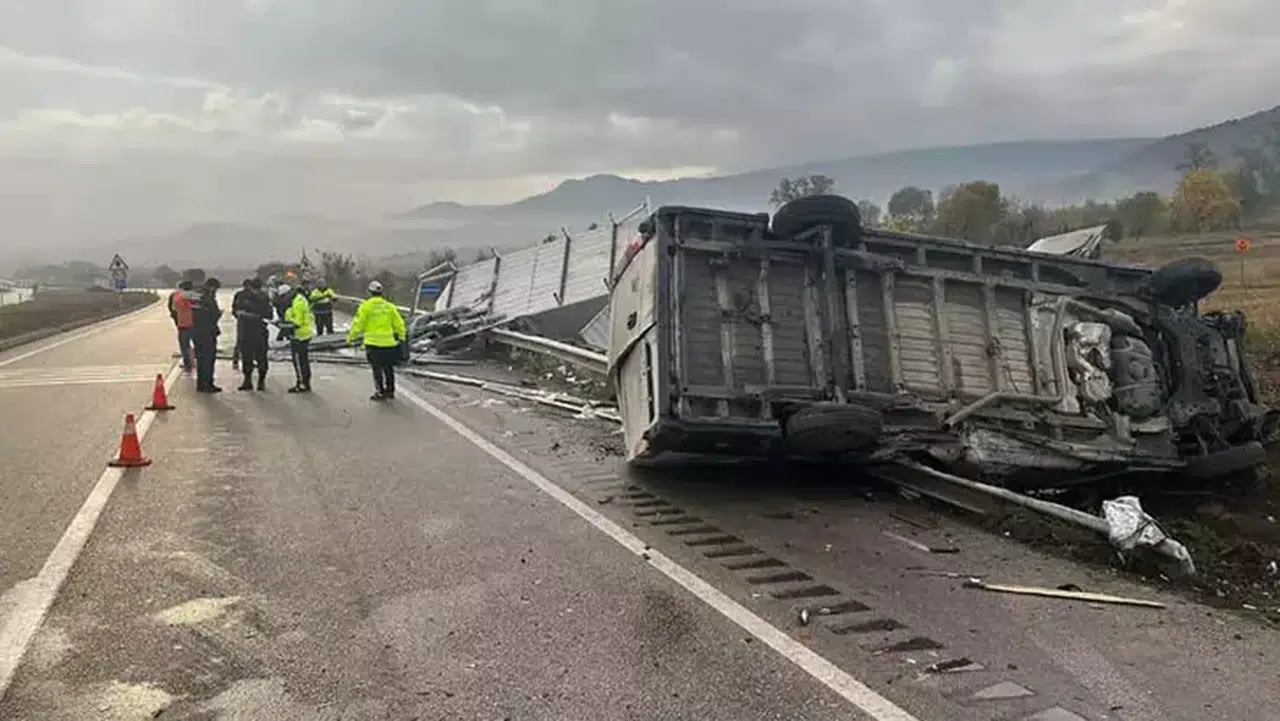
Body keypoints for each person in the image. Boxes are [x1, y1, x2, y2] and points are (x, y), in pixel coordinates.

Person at [348, 280, 407, 401]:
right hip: (389, 343)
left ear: (370, 292)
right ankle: (390, 391)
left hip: (373, 344)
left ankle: (380, 392)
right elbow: (399, 323)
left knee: (377, 369)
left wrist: (351, 337)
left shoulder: (366, 306)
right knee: (388, 368)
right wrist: (402, 337)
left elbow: (358, 324)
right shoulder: (389, 306)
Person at [233, 277, 273, 390]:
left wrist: (248, 315)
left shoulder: (263, 298)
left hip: (254, 330)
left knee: (258, 357)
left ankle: (258, 381)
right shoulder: (242, 296)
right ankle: (250, 381)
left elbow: (268, 315)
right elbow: (235, 311)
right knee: (249, 357)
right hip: (250, 330)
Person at [280, 283, 315, 393]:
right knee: (303, 360)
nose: (283, 299)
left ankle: (302, 383)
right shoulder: (298, 300)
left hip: (299, 335)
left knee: (299, 361)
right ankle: (305, 382)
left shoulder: (297, 303)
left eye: (283, 296)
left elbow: (297, 322)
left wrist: (283, 326)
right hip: (303, 334)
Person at [191, 277, 223, 393]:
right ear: (212, 287)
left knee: (200, 359)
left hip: (195, 331)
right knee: (208, 359)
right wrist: (219, 314)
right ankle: (208, 384)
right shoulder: (208, 297)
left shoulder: (195, 296)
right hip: (207, 332)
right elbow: (213, 314)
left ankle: (200, 384)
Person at [167, 280, 196, 372]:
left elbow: (172, 308)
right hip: (196, 324)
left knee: (184, 345)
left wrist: (175, 318)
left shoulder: (176, 296)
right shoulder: (196, 296)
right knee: (197, 344)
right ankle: (193, 360)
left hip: (183, 324)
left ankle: (188, 363)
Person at [230, 279, 252, 371]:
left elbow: (234, 309)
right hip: (245, 321)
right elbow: (234, 308)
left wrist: (238, 315)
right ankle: (237, 360)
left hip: (243, 320)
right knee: (241, 341)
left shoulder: (239, 295)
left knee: (242, 341)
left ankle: (239, 360)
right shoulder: (241, 295)